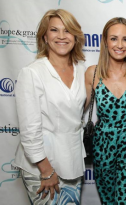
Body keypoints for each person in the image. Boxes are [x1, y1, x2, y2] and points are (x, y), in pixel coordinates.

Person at [13, 9, 86, 204]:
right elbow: (29, 130)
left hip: (72, 162)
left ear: (75, 36)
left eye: (67, 30)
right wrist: (46, 171)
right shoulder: (32, 73)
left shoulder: (82, 70)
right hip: (42, 167)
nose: (61, 36)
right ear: (45, 36)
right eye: (54, 30)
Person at [85, 17, 126, 205]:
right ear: (104, 41)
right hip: (103, 146)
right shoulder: (92, 72)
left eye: (125, 39)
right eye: (114, 38)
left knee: (123, 201)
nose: (120, 45)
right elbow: (77, 106)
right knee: (108, 201)